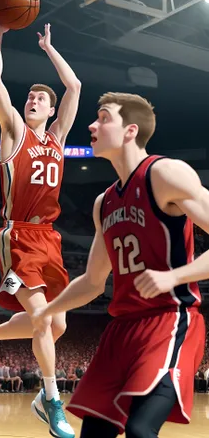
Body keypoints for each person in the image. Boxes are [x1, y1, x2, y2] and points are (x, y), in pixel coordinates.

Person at [32, 92, 206, 438]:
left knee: (141, 430)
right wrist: (47, 310)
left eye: (103, 117)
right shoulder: (104, 202)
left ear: (130, 130)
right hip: (121, 330)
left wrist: (175, 276)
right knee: (94, 434)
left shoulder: (166, 173)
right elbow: (93, 281)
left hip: (168, 320)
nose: (92, 125)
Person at [0, 7, 80, 438]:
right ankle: (52, 401)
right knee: (40, 320)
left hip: (49, 237)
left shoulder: (58, 137)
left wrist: (50, 49)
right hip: (17, 233)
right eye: (30, 97)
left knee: (59, 324)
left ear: (52, 110)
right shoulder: (14, 129)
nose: (32, 100)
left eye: (40, 99)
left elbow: (74, 85)